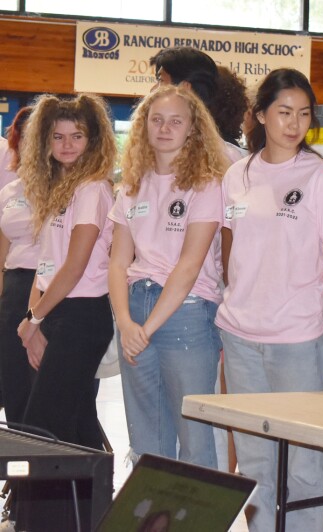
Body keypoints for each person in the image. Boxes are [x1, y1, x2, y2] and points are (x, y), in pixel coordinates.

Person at [216, 68, 323, 532]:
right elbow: (229, 245)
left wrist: (297, 297)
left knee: (304, 464)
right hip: (239, 338)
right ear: (260, 115)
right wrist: (242, 292)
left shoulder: (320, 178)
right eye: (283, 112)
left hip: (296, 340)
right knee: (254, 460)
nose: (294, 123)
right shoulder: (237, 175)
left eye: (303, 114)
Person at [108, 85, 229, 468]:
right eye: (156, 120)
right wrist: (126, 322)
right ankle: (153, 525)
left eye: (175, 121)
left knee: (194, 437)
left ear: (192, 129)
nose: (164, 128)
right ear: (143, 127)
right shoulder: (131, 184)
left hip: (186, 312)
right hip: (136, 307)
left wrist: (146, 327)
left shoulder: (207, 184)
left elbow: (190, 265)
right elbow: (116, 263)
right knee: (145, 436)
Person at [14, 93, 117, 530]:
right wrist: (34, 319)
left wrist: (33, 320)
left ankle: (45, 519)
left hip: (83, 315)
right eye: (58, 136)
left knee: (43, 423)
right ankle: (91, 516)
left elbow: (75, 267)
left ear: (93, 140)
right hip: (56, 314)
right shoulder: (60, 188)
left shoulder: (93, 188)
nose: (68, 144)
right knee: (75, 421)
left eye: (77, 136)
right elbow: (47, 263)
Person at [0, 106, 34, 425]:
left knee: (44, 388)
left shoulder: (72, 186)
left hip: (51, 291)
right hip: (13, 288)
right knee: (13, 383)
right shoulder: (10, 190)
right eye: (22, 136)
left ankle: (56, 472)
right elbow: (3, 249)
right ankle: (21, 472)